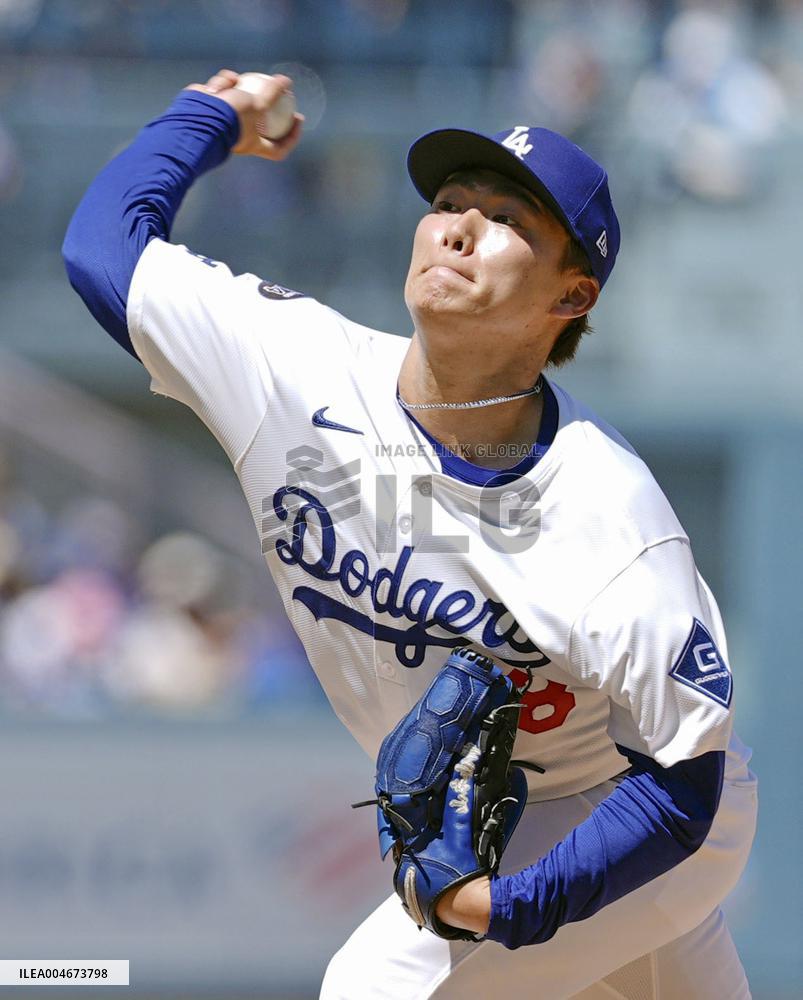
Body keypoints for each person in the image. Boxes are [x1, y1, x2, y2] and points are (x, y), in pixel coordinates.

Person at [63, 70, 757, 999]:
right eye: (446, 202)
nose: (458, 226)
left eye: (507, 219)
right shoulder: (294, 367)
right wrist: (211, 115)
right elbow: (104, 248)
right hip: (537, 822)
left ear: (572, 294)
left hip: (638, 815)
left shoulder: (606, 514)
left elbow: (683, 783)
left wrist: (514, 906)